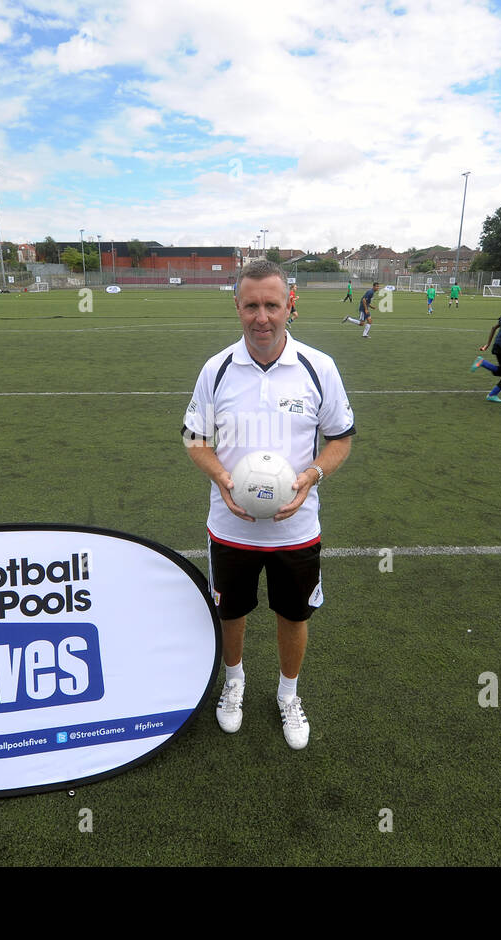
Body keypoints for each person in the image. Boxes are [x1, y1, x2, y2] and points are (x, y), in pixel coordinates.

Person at [182, 259, 355, 750]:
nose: (262, 317)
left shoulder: (318, 367)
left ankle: (288, 694)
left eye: (272, 306)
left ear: (289, 306)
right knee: (230, 612)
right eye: (252, 306)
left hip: (296, 529)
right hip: (230, 526)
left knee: (294, 616)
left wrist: (311, 476)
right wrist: (222, 478)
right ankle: (233, 682)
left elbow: (341, 439)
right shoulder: (216, 369)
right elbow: (195, 439)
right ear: (237, 306)